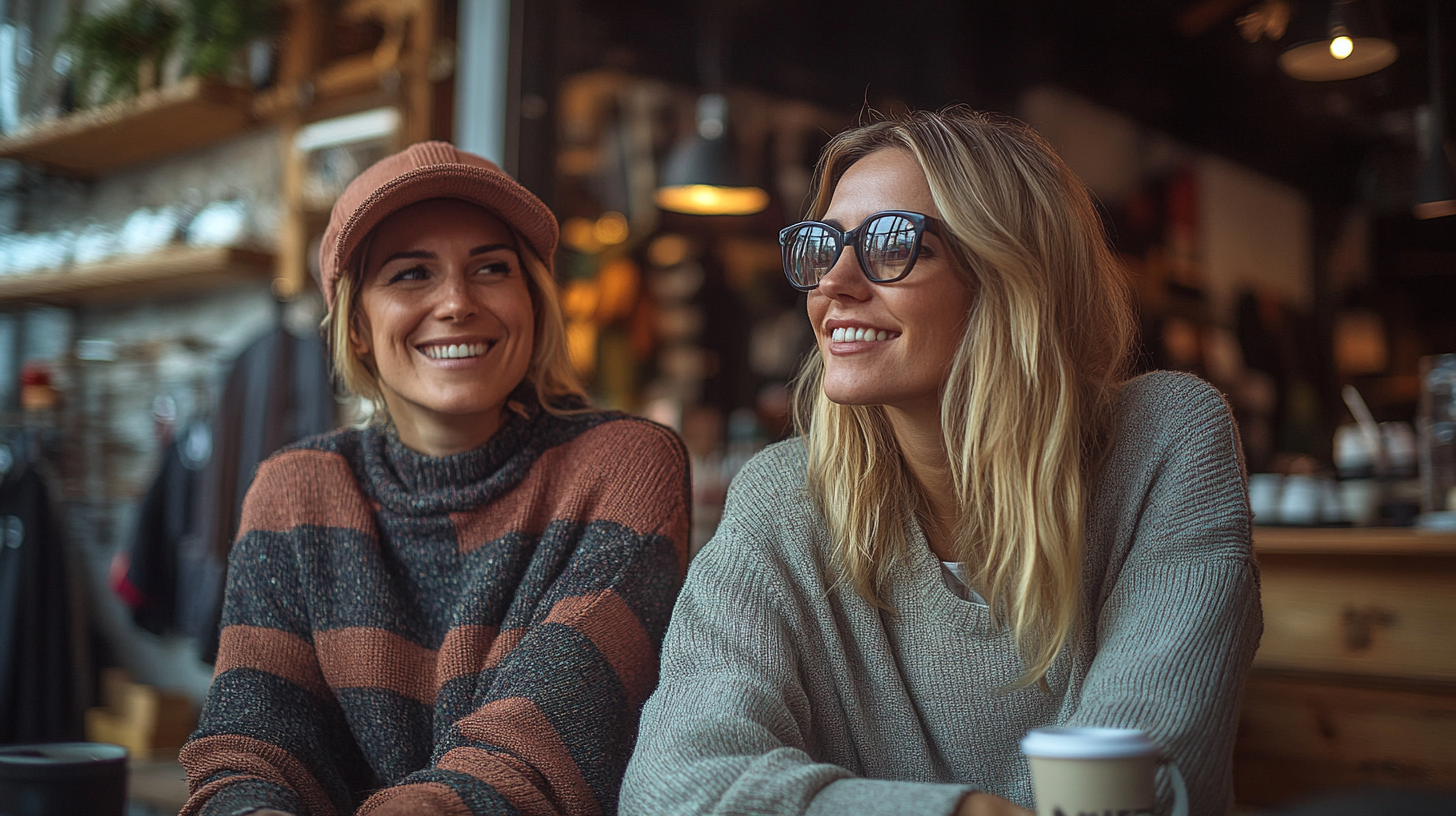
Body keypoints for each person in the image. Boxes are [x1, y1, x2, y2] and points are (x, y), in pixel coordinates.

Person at [620, 108, 1261, 816]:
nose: (833, 283)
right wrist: (964, 812)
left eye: (894, 246)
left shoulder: (1165, 441)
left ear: (1010, 273)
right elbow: (672, 789)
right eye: (820, 246)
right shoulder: (782, 497)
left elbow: (1127, 785)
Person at [179, 142, 691, 816]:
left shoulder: (623, 466)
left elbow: (534, 760)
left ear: (533, 303)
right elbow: (251, 744)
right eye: (411, 274)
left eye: (490, 268)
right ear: (357, 326)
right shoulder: (295, 488)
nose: (455, 302)